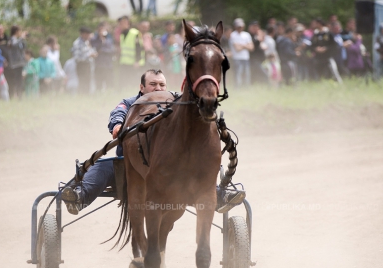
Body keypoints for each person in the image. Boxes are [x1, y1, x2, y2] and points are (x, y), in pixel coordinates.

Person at [61, 69, 246, 215]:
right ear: (141, 87)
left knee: (197, 174)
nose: (158, 89)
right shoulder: (131, 103)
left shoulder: (176, 102)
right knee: (100, 167)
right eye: (153, 84)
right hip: (128, 165)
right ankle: (79, 197)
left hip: (171, 169)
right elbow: (118, 113)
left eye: (161, 85)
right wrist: (117, 125)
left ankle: (220, 197)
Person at [118, 16, 144, 87]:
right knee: (123, 80)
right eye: (120, 23)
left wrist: (137, 61)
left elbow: (139, 48)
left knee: (133, 80)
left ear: (128, 23)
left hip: (134, 62)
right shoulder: (122, 34)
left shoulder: (135, 33)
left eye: (123, 23)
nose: (121, 25)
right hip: (124, 61)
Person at [91, 22, 116, 91]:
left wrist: (103, 50)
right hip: (99, 65)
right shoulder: (94, 40)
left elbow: (112, 51)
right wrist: (101, 40)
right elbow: (94, 48)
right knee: (98, 84)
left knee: (109, 83)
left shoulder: (109, 39)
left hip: (108, 65)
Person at [229, 18, 253, 86]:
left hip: (246, 58)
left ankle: (246, 88)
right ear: (235, 26)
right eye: (238, 26)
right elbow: (237, 49)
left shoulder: (247, 35)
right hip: (237, 58)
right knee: (238, 74)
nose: (240, 27)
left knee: (247, 74)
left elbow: (251, 47)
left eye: (241, 26)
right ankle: (237, 88)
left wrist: (241, 45)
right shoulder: (233, 35)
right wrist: (246, 45)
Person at [72, 26, 96, 93]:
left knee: (87, 81)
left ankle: (87, 96)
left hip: (87, 65)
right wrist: (89, 56)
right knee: (82, 81)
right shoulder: (77, 43)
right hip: (81, 65)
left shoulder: (86, 42)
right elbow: (77, 57)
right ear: (83, 34)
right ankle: (81, 95)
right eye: (87, 34)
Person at [6, 25, 27, 99]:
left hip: (20, 63)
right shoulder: (11, 39)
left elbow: (23, 48)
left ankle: (19, 95)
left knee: (19, 80)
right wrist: (21, 38)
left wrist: (23, 39)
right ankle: (14, 95)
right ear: (16, 31)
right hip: (15, 64)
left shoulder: (18, 40)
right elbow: (14, 45)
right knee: (15, 80)